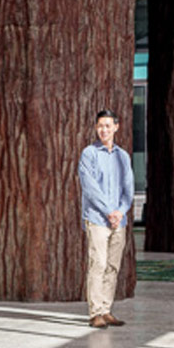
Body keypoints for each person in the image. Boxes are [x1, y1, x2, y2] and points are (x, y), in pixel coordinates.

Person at [78, 110, 134, 328]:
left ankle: (107, 309)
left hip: (118, 220)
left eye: (108, 126)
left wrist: (120, 211)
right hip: (98, 219)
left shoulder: (123, 156)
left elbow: (128, 188)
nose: (104, 130)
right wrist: (109, 211)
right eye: (100, 126)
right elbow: (90, 188)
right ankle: (95, 312)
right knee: (98, 264)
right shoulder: (89, 154)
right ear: (96, 127)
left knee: (112, 266)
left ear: (116, 127)